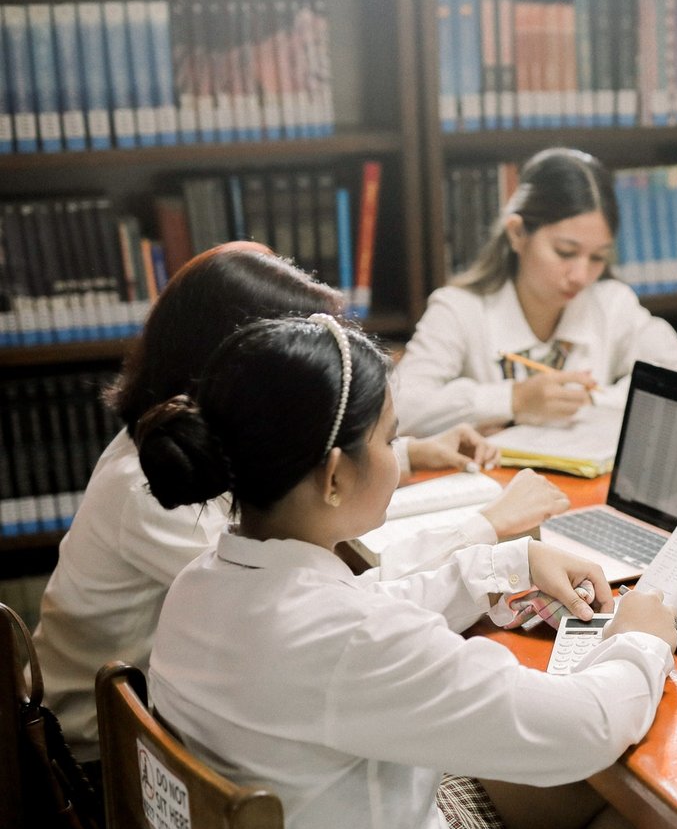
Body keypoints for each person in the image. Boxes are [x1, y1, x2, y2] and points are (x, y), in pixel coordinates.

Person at [137, 313, 677, 829]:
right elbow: (586, 729)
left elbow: (375, 608)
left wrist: (509, 561)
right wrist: (640, 639)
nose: (400, 459)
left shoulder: (205, 583)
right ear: (334, 476)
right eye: (391, 440)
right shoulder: (348, 638)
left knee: (582, 795)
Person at [34, 243, 568, 762]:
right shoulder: (151, 494)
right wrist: (485, 528)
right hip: (104, 761)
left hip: (189, 730)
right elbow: (340, 607)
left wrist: (406, 454)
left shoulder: (173, 445)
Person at [393, 147, 677, 436]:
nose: (580, 276)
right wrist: (513, 399)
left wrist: (594, 400)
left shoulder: (611, 304)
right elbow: (398, 409)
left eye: (598, 258)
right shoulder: (459, 309)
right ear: (518, 234)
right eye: (565, 252)